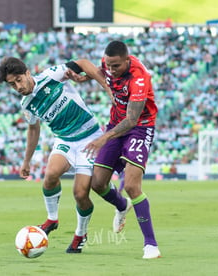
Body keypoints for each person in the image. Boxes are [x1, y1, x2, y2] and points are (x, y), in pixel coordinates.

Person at [0, 56, 108, 253]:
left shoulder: (51, 76)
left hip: (89, 138)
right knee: (50, 177)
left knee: (80, 194)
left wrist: (106, 87)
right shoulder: (27, 104)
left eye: (19, 80)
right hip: (65, 140)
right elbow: (33, 130)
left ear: (28, 73)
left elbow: (81, 62)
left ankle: (80, 234)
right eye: (12, 85)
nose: (18, 87)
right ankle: (52, 220)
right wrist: (26, 161)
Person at [67, 40, 161, 259]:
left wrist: (104, 138)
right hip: (114, 125)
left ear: (127, 61)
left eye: (116, 66)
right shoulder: (108, 63)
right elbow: (100, 71)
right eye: (109, 65)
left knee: (130, 184)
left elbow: (131, 119)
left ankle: (151, 245)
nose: (111, 70)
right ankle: (121, 205)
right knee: (97, 183)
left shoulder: (139, 79)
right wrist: (83, 78)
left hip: (139, 128)